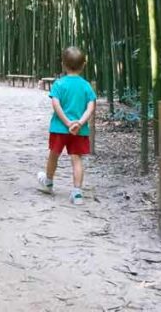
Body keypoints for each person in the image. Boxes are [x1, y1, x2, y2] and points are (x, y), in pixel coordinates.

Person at [37, 47, 96, 205]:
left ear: (63, 64)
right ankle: (77, 193)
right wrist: (79, 123)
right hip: (79, 131)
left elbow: (56, 104)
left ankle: (48, 183)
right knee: (76, 159)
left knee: (54, 154)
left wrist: (67, 122)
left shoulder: (59, 84)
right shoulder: (86, 86)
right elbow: (91, 107)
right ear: (84, 65)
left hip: (59, 128)